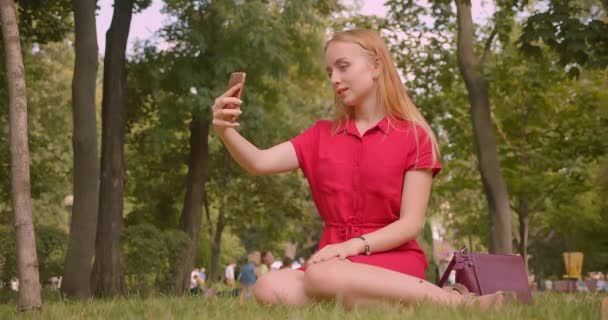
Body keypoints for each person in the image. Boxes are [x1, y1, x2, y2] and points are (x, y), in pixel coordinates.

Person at [211, 28, 512, 309]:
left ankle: (460, 304)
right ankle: (401, 306)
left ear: (376, 66)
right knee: (269, 286)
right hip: (331, 261)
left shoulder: (415, 136)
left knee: (320, 277)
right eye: (330, 72)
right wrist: (225, 131)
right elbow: (258, 162)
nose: (334, 79)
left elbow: (411, 224)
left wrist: (355, 246)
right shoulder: (320, 134)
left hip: (392, 258)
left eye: (343, 67)